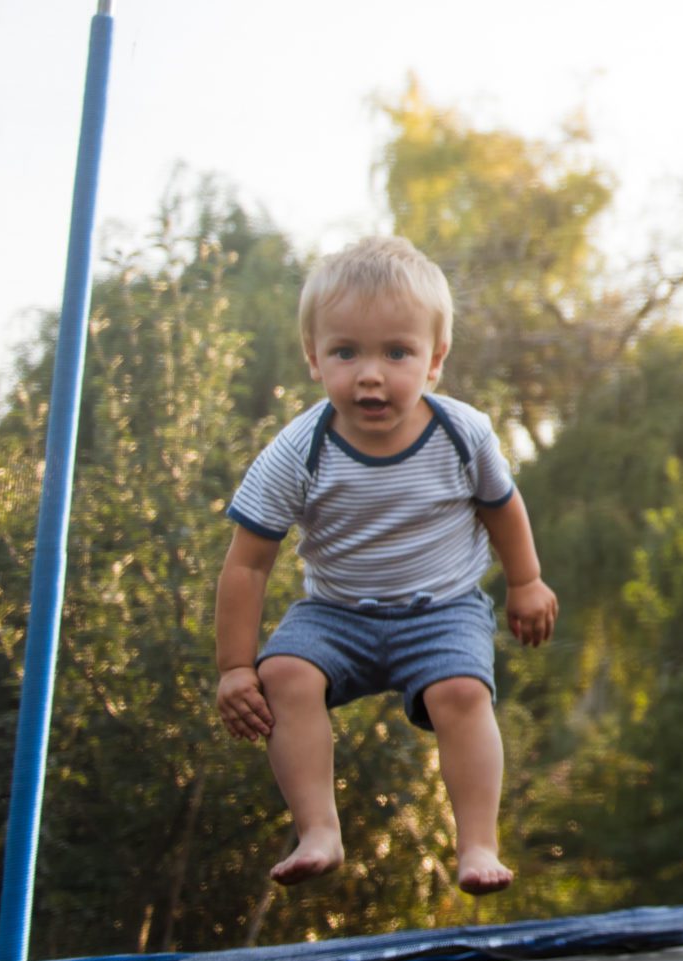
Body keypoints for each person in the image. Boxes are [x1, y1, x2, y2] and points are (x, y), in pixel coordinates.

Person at [213, 235, 558, 893]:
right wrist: (235, 667)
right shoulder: (298, 450)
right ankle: (317, 829)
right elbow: (248, 564)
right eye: (346, 352)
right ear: (315, 358)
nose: (370, 374)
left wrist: (526, 581)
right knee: (283, 672)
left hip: (442, 608)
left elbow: (502, 508)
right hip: (336, 612)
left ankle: (478, 846)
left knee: (460, 691)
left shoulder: (462, 433)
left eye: (396, 352)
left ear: (435, 360)